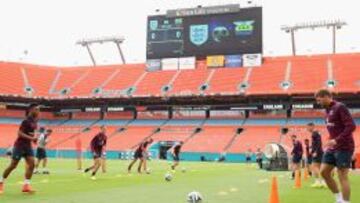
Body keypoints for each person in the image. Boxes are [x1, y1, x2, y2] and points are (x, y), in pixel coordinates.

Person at [316, 89, 356, 203]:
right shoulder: (327, 111)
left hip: (344, 146)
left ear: (327, 96)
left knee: (342, 175)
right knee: (324, 172)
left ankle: (346, 202)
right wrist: (330, 140)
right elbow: (334, 129)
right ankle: (338, 199)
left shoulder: (340, 107)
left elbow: (351, 126)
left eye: (320, 100)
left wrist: (336, 140)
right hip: (332, 147)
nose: (318, 102)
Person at [0, 103, 40, 194]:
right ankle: (1, 182)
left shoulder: (35, 122)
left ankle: (26, 186)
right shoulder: (25, 121)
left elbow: (31, 134)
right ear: (31, 110)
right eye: (37, 109)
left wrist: (34, 140)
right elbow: (19, 133)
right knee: (13, 165)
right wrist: (32, 138)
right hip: (19, 146)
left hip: (28, 146)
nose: (38, 111)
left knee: (32, 164)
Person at [307, 122, 326, 188]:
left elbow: (319, 143)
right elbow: (316, 143)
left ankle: (318, 181)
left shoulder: (315, 133)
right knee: (319, 167)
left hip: (318, 153)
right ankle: (323, 182)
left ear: (312, 126)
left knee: (314, 166)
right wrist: (311, 148)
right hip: (319, 152)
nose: (307, 129)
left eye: (308, 127)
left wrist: (315, 152)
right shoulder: (316, 133)